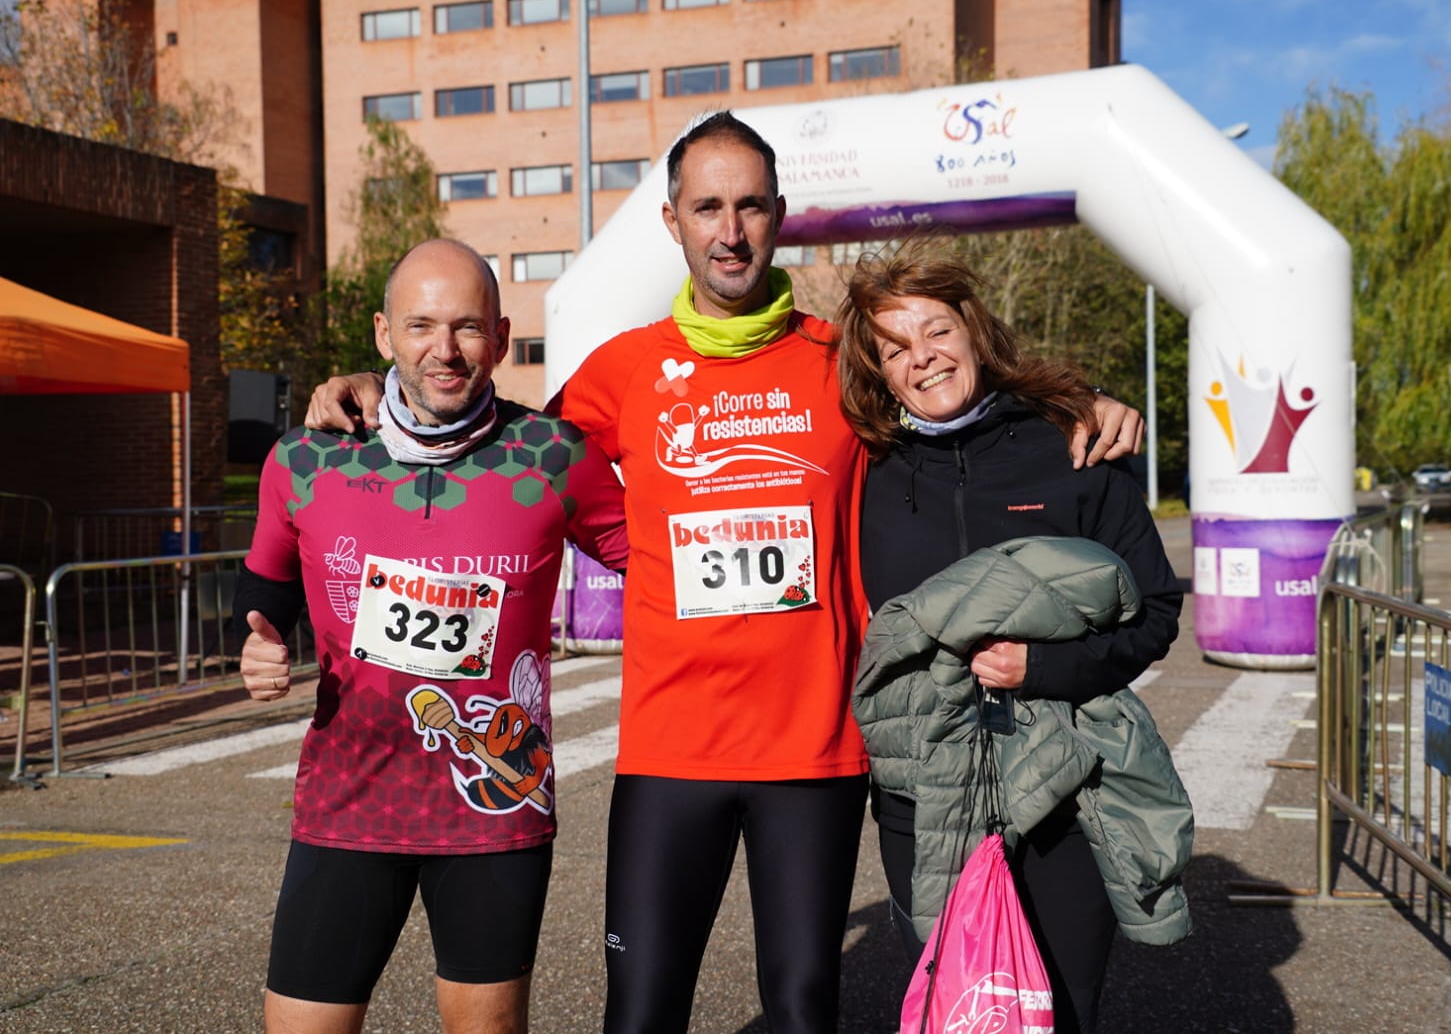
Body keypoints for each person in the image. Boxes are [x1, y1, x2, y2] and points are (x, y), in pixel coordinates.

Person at [302, 113, 1144, 1033]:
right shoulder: (622, 369)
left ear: (779, 215)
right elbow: (500, 452)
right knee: (642, 1012)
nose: (730, 230)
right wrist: (370, 391)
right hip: (671, 754)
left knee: (800, 1010)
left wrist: (1076, 402)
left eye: (749, 206)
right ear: (673, 221)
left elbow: (952, 391)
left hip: (814, 752)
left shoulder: (842, 358)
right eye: (708, 207)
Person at [235, 238, 628, 1034]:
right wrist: (260, 642)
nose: (443, 350)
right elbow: (264, 587)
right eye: (420, 326)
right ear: (383, 335)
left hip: (493, 803)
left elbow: (660, 567)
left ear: (502, 336)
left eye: (466, 327)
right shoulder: (309, 456)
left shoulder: (552, 456)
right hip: (349, 800)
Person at [835, 241, 1186, 1034]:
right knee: (962, 1009)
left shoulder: (1070, 441)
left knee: (1059, 1008)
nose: (922, 358)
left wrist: (1049, 665)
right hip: (924, 788)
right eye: (895, 348)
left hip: (1064, 780)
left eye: (936, 330)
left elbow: (1157, 607)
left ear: (973, 327)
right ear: (879, 373)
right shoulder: (866, 469)